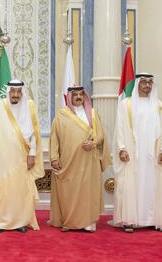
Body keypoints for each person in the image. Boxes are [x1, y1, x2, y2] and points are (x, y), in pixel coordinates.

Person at [112, 73, 162, 232]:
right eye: (144, 82)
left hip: (152, 155)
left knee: (152, 184)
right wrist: (122, 148)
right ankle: (130, 220)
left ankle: (152, 219)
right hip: (133, 153)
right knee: (131, 184)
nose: (147, 85)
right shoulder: (127, 104)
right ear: (137, 84)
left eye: (150, 83)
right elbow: (119, 127)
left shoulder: (158, 105)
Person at [0, 79, 44, 233]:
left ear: (22, 92)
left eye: (18, 92)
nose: (15, 95)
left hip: (21, 158)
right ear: (8, 92)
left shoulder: (29, 106)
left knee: (20, 190)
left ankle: (20, 221)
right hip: (2, 157)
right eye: (13, 91)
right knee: (2, 189)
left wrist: (32, 155)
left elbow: (34, 135)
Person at [49, 86, 111, 232]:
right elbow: (54, 138)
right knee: (69, 191)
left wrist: (93, 142)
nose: (78, 97)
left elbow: (100, 135)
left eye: (80, 95)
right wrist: (54, 157)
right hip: (68, 161)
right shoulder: (61, 115)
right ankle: (69, 222)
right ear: (69, 97)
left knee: (88, 192)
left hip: (89, 160)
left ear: (84, 97)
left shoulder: (93, 114)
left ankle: (89, 222)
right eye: (75, 94)